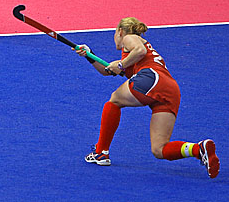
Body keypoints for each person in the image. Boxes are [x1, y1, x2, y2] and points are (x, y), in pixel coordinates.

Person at [75, 17, 219, 178]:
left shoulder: (130, 39)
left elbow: (139, 51)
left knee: (114, 100)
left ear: (120, 32)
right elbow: (108, 70)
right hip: (170, 90)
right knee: (159, 149)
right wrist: (89, 55)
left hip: (152, 78)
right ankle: (198, 149)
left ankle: (101, 152)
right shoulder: (132, 58)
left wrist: (121, 65)